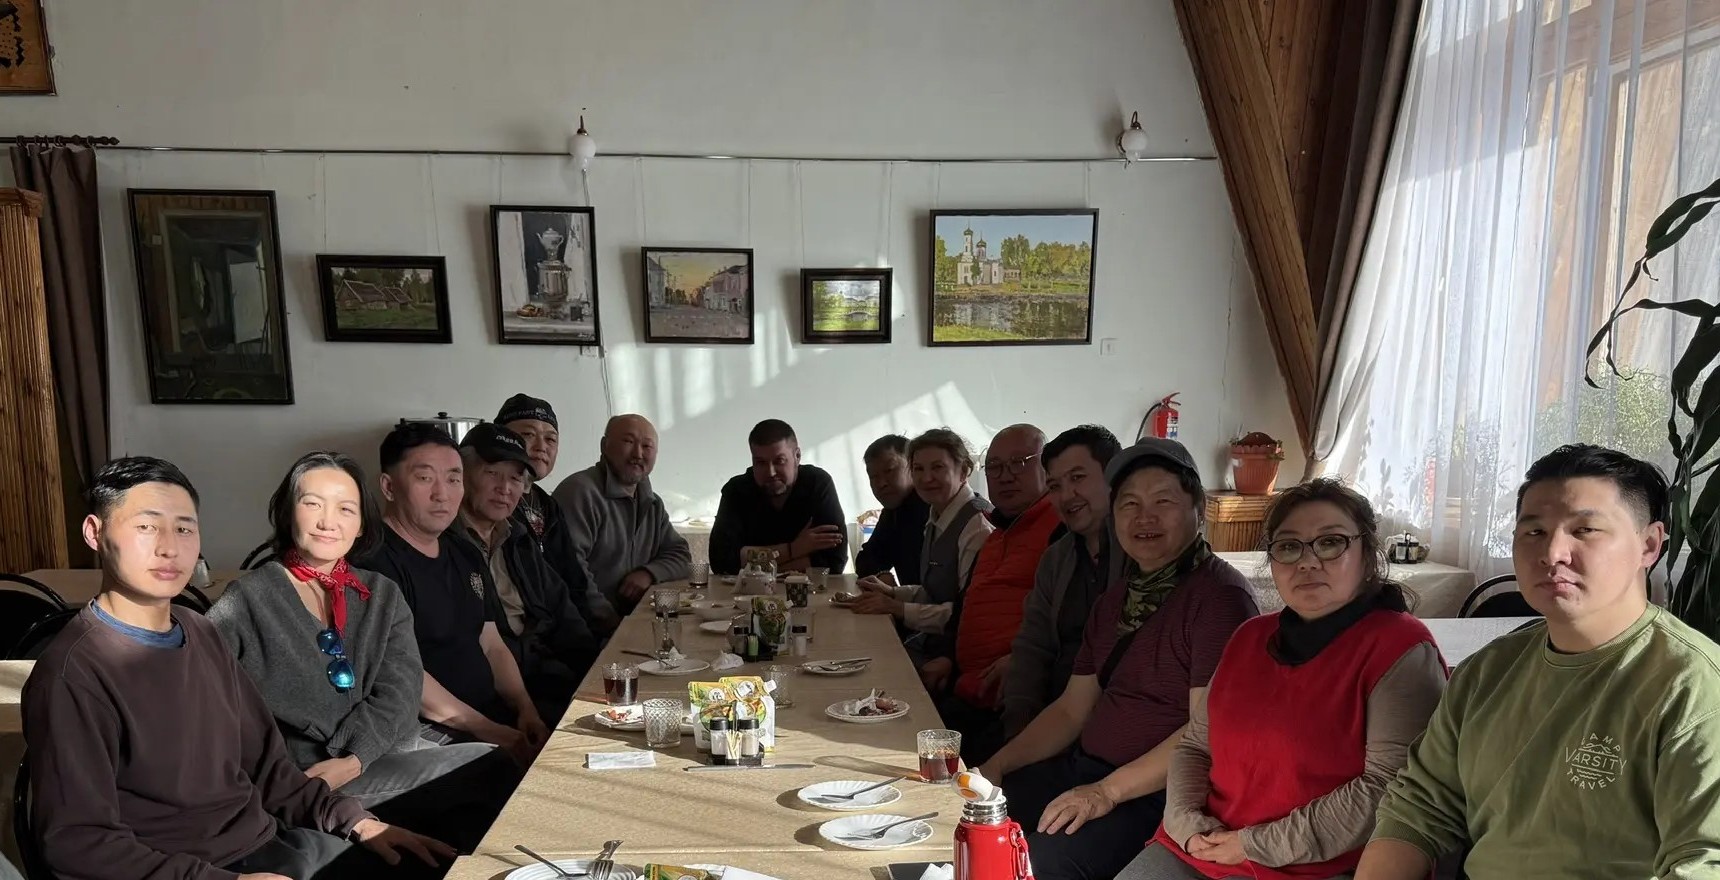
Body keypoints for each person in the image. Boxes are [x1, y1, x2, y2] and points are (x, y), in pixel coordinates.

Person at [23, 456, 454, 880]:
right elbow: (77, 843)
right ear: (95, 532)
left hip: (272, 846)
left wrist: (355, 821)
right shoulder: (72, 674)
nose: (169, 547)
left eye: (184, 528)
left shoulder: (199, 631)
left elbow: (268, 766)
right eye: (147, 527)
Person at [1355, 445, 1720, 880]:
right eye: (1534, 531)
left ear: (1649, 545)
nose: (1553, 552)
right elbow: (1418, 810)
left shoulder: (1691, 685)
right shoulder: (1486, 673)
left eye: (1584, 529)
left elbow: (1702, 862)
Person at [1122, 478, 1447, 879]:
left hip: (1311, 865)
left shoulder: (1400, 649)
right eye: (1289, 546)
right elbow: (1195, 746)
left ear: (1367, 555)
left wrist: (1252, 844)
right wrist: (1187, 824)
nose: (1307, 562)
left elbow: (1387, 788)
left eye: (1330, 542)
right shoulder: (1250, 637)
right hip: (1205, 846)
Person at [975, 439, 1257, 880]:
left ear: (1199, 509)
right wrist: (997, 766)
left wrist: (1105, 792)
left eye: (1163, 501)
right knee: (974, 818)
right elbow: (1072, 709)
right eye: (1129, 504)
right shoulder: (1115, 600)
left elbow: (1206, 732)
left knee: (1036, 862)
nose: (1144, 517)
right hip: (1085, 771)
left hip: (1154, 796)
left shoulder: (1221, 599)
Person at [210, 452, 513, 852]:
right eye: (312, 504)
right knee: (486, 772)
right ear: (287, 512)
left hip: (375, 756)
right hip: (306, 778)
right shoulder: (246, 599)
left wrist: (354, 758)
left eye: (345, 509)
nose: (328, 521)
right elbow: (211, 710)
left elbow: (400, 691)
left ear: (361, 525)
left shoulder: (381, 593)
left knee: (495, 763)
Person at [352, 423, 549, 766]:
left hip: (484, 716)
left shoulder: (464, 551)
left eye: (454, 478)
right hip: (425, 731)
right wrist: (487, 729)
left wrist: (524, 707)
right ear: (388, 487)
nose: (442, 494)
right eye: (425, 478)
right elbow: (400, 675)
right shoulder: (371, 566)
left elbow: (490, 642)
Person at [919, 424, 1059, 765]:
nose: (1005, 476)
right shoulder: (996, 535)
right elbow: (965, 607)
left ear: (1047, 468)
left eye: (1019, 463)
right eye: (995, 466)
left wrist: (1022, 659)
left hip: (1013, 704)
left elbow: (1075, 621)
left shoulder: (1061, 530)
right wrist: (948, 657)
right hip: (965, 689)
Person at [456, 422, 601, 713]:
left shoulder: (519, 538)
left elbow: (562, 608)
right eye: (492, 473)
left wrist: (596, 672)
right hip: (488, 694)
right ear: (461, 475)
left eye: (515, 478)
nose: (504, 489)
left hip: (543, 673)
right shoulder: (445, 544)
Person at [1001, 424, 1125, 738]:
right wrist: (1018, 727)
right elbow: (1032, 647)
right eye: (1055, 486)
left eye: (1078, 478)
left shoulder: (1142, 551)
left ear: (1115, 477)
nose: (1066, 496)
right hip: (1052, 717)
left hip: (1115, 726)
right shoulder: (1056, 558)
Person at [853, 428, 994, 644]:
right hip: (936, 637)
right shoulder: (936, 513)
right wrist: (892, 592)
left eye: (937, 467)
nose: (926, 478)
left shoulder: (978, 525)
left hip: (962, 646)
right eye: (919, 469)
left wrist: (897, 607)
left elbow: (968, 612)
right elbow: (935, 593)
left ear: (964, 471)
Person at [496, 394, 619, 634]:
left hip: (565, 634)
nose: (541, 446)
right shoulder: (497, 506)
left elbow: (574, 582)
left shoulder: (547, 504)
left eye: (550, 438)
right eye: (528, 434)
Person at [553, 413, 691, 616]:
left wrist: (648, 573)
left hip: (632, 619)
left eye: (647, 446)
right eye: (628, 441)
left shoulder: (652, 503)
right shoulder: (580, 492)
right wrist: (610, 622)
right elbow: (570, 570)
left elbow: (681, 556)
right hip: (587, 626)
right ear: (604, 445)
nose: (638, 453)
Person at [709, 418, 848, 574]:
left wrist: (754, 566)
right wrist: (793, 549)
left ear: (797, 456)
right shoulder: (736, 490)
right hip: (748, 590)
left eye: (779, 461)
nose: (771, 472)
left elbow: (834, 562)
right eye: (760, 463)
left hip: (808, 588)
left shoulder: (817, 484)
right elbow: (721, 562)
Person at [852, 434, 931, 584]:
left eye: (889, 470)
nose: (881, 483)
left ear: (912, 466)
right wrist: (881, 574)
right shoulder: (893, 512)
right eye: (873, 476)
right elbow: (866, 559)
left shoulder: (933, 506)